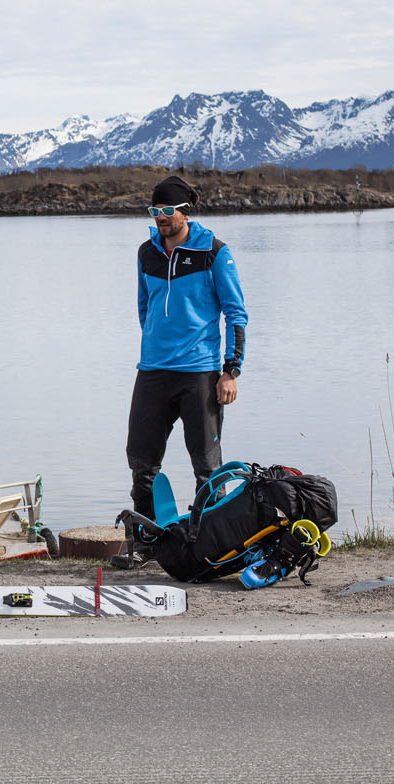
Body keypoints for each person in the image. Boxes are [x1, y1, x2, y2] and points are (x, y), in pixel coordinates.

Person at [115, 175, 247, 568]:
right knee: (141, 462)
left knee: (207, 466)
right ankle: (147, 545)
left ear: (184, 212)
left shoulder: (214, 252)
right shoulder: (146, 254)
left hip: (200, 374)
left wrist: (231, 371)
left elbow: (236, 314)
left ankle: (212, 547)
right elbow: (145, 309)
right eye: (153, 211)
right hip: (153, 371)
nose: (160, 218)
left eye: (166, 211)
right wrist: (157, 343)